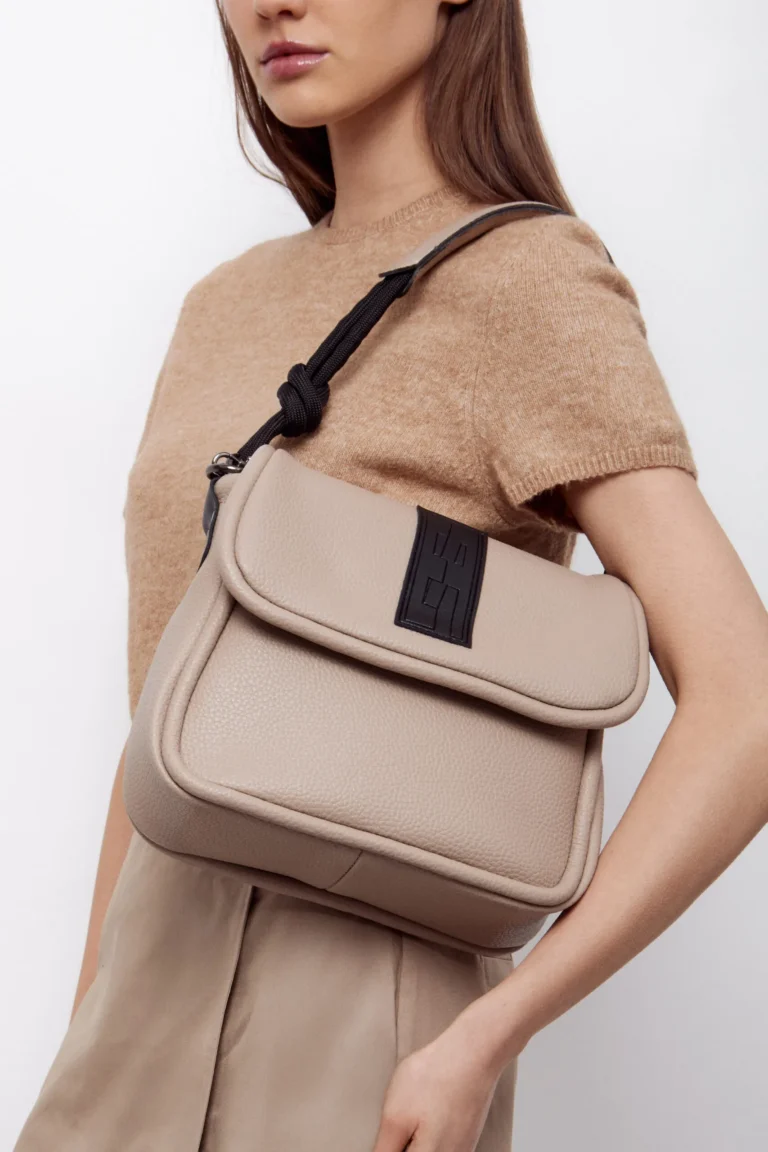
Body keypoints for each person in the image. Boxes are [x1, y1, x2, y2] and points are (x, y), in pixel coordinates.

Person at [14, 1, 768, 1150]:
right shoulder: (220, 305)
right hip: (137, 995)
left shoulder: (529, 280)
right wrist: (84, 1031)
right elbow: (158, 721)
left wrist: (492, 1031)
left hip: (364, 1016)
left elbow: (746, 701)